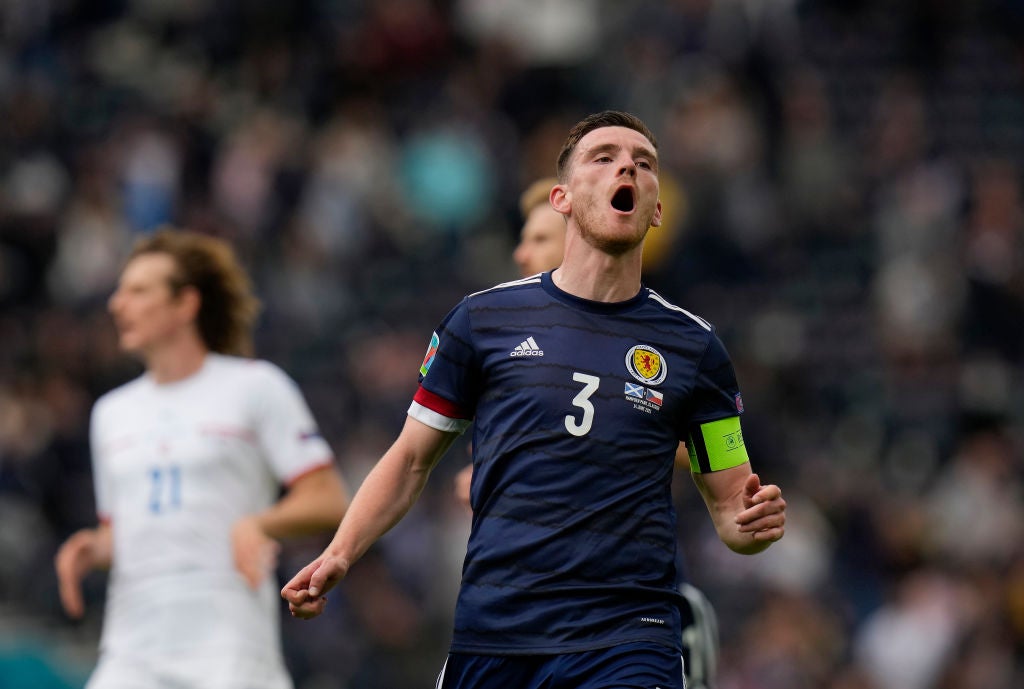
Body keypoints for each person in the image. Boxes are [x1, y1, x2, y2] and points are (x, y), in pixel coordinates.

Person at [282, 111, 786, 689]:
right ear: (563, 198)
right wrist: (341, 553)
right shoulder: (480, 321)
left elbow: (731, 507)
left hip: (626, 635)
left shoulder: (696, 349)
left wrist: (752, 526)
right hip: (497, 633)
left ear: (657, 208)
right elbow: (411, 459)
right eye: (604, 157)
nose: (627, 165)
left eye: (643, 163)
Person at [454, 174, 723, 688]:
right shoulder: (503, 336)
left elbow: (708, 453)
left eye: (537, 239)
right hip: (524, 618)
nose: (519, 253)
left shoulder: (652, 342)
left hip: (629, 614)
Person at [55, 228, 350, 689]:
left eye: (138, 291)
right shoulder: (110, 413)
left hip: (228, 646)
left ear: (185, 304)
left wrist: (259, 524)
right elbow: (122, 530)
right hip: (131, 647)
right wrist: (94, 549)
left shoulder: (255, 386)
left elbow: (328, 498)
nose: (117, 304)